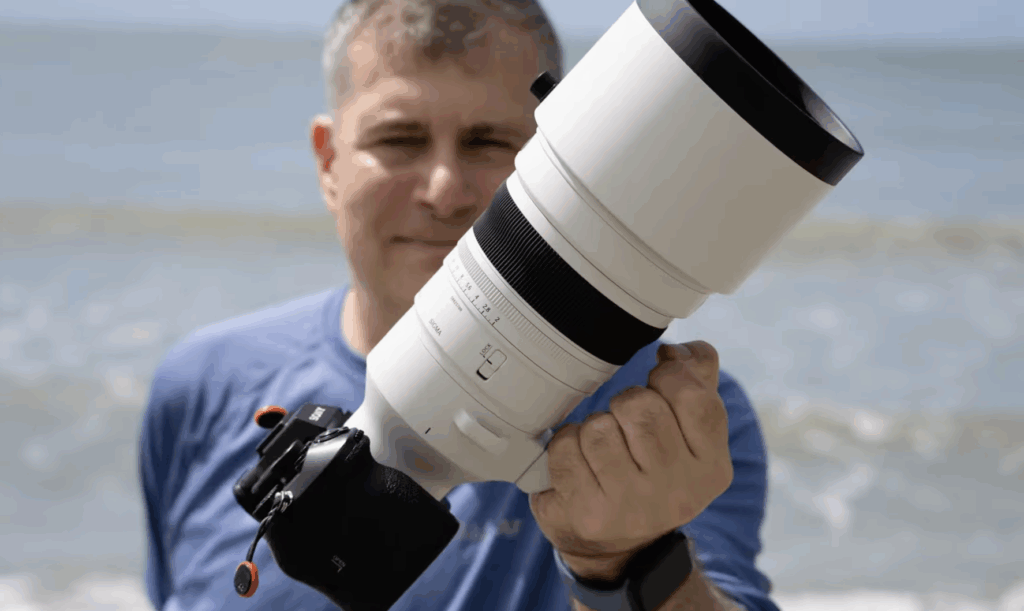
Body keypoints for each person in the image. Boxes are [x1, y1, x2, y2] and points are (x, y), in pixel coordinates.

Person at [138, 1, 780, 610]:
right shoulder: (202, 386)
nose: (444, 190)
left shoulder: (658, 419)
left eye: (488, 143)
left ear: (569, 156)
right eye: (400, 140)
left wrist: (624, 561)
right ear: (329, 160)